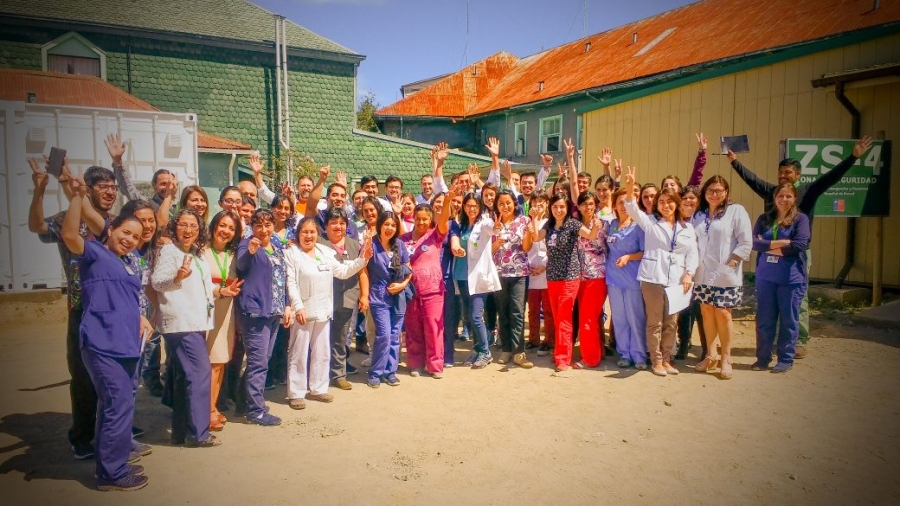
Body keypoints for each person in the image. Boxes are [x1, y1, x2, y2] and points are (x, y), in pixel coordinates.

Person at [728, 135, 872, 357]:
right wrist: (735, 162)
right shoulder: (771, 192)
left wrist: (853, 157)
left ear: (798, 175)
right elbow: (752, 179)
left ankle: (800, 340)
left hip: (796, 253)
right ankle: (778, 340)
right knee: (772, 297)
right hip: (769, 253)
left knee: (798, 298)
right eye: (781, 172)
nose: (784, 176)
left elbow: (831, 178)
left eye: (789, 173)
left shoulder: (808, 191)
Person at [29, 160, 118, 460]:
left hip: (114, 309)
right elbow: (37, 227)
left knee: (116, 374)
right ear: (88, 190)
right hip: (82, 307)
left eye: (113, 187)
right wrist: (39, 191)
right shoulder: (68, 218)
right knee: (82, 376)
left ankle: (115, 429)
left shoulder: (115, 223)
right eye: (103, 187)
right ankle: (81, 436)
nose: (110, 192)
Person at [152, 208, 238, 447]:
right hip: (181, 323)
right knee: (200, 375)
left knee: (184, 378)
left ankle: (181, 432)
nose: (188, 230)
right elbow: (157, 282)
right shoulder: (169, 251)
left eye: (193, 226)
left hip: (197, 321)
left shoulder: (197, 255)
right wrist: (177, 277)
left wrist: (219, 292)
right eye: (183, 224)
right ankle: (198, 433)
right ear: (174, 226)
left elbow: (201, 287)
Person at [283, 218, 370, 408]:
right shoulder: (292, 254)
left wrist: (363, 259)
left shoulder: (325, 252)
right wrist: (298, 306)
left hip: (323, 311)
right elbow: (291, 283)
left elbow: (343, 271)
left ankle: (318, 389)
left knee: (322, 353)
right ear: (298, 234)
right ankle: (296, 393)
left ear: (317, 234)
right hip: (303, 313)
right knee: (298, 354)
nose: (308, 236)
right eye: (304, 232)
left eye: (312, 232)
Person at [623, 166, 698, 377]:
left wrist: (689, 273)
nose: (666, 205)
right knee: (654, 322)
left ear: (677, 203)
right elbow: (631, 207)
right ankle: (656, 360)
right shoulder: (651, 223)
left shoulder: (687, 228)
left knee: (671, 323)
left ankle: (667, 359)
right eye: (662, 202)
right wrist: (630, 187)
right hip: (652, 278)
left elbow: (692, 253)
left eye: (670, 201)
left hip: (677, 280)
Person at [528, 193, 600, 373]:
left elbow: (590, 236)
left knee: (564, 316)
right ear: (550, 209)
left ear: (567, 208)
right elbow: (536, 237)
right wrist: (534, 218)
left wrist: (596, 228)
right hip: (552, 277)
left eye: (562, 207)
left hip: (570, 276)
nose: (558, 210)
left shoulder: (573, 224)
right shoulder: (549, 225)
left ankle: (563, 358)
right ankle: (561, 353)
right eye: (555, 207)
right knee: (558, 315)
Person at [691, 176, 752, 380]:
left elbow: (745, 241)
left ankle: (726, 358)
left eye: (719, 190)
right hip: (702, 274)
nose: (714, 194)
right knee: (706, 312)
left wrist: (732, 263)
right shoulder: (698, 214)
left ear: (726, 192)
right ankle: (711, 354)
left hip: (725, 274)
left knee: (723, 313)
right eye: (710, 190)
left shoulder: (736, 211)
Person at [235, 209, 293, 426]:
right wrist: (250, 252)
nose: (264, 229)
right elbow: (241, 265)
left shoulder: (277, 246)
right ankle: (256, 411)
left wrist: (287, 304)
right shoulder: (248, 243)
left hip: (273, 310)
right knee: (258, 363)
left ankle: (245, 402)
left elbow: (282, 277)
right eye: (258, 225)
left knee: (262, 361)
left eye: (268, 225)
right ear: (252, 226)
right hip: (256, 312)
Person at [751, 184, 811, 373]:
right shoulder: (764, 219)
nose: (784, 200)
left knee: (789, 319)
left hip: (790, 279)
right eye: (780, 196)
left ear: (794, 199)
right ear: (775, 198)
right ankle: (762, 359)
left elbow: (799, 244)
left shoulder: (801, 219)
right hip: (766, 277)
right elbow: (754, 243)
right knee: (764, 319)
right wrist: (782, 243)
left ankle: (785, 359)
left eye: (788, 196)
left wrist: (767, 245)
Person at [401, 189, 455, 378]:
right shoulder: (403, 239)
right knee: (413, 328)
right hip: (410, 291)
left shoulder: (436, 236)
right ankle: (415, 363)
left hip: (433, 290)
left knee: (433, 327)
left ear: (430, 219)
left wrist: (447, 200)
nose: (422, 222)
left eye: (425, 219)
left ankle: (435, 365)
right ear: (413, 218)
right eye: (419, 219)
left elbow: (443, 221)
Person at [202, 211, 243, 431]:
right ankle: (207, 411)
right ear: (214, 225)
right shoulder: (202, 252)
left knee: (220, 361)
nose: (225, 231)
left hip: (227, 311)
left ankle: (213, 407)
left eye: (231, 228)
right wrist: (219, 290)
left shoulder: (233, 254)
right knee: (210, 364)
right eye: (222, 225)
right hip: (208, 309)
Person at [451, 193, 501, 369]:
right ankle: (477, 349)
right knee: (469, 317)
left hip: (479, 277)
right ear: (463, 207)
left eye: (475, 206)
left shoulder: (484, 223)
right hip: (461, 276)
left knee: (476, 315)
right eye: (468, 205)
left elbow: (493, 228)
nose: (471, 209)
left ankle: (486, 352)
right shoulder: (461, 225)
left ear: (480, 207)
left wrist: (497, 224)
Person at [320, 208, 369, 390]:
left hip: (347, 298)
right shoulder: (319, 242)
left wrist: (364, 295)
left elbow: (362, 271)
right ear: (326, 226)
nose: (338, 226)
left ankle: (339, 374)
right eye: (333, 222)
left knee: (340, 338)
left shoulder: (354, 244)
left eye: (341, 223)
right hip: (322, 298)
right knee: (320, 339)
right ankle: (318, 375)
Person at [366, 212, 413, 388]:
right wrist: (364, 294)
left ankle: (390, 372)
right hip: (378, 296)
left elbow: (409, 269)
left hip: (399, 296)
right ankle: (375, 372)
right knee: (384, 335)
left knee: (395, 336)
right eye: (386, 224)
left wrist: (403, 284)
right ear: (380, 225)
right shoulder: (371, 244)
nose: (389, 228)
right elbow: (363, 269)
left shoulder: (399, 245)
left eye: (393, 225)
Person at [490, 189, 534, 368]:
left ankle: (519, 352)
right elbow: (488, 251)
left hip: (518, 274)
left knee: (517, 312)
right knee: (503, 312)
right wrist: (496, 242)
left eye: (508, 203)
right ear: (497, 206)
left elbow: (526, 248)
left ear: (514, 204)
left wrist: (530, 233)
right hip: (499, 274)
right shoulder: (493, 223)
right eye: (501, 203)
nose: (505, 206)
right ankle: (506, 349)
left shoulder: (524, 221)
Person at [606, 188, 647, 369]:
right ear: (614, 205)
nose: (623, 206)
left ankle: (639, 355)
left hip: (632, 279)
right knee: (620, 318)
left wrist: (629, 257)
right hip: (613, 279)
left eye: (627, 202)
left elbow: (646, 252)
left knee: (635, 317)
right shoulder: (611, 224)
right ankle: (624, 353)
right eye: (620, 202)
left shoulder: (639, 226)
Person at [574, 191, 609, 369]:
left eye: (590, 204)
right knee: (588, 318)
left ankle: (591, 358)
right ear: (579, 206)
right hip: (581, 277)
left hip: (597, 275)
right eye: (584, 204)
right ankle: (596, 352)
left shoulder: (601, 224)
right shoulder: (578, 224)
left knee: (588, 318)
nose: (587, 207)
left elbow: (598, 243)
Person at [675, 184, 707, 360]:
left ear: (698, 199)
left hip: (703, 270)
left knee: (702, 311)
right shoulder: (679, 218)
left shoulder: (704, 216)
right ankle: (684, 343)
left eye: (692, 198)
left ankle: (706, 348)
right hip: (684, 270)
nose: (688, 201)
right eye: (685, 198)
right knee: (685, 310)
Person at [525, 190, 554, 356]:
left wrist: (544, 265)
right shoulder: (527, 222)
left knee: (548, 309)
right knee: (533, 309)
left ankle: (549, 340)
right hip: (530, 270)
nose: (538, 206)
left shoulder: (549, 223)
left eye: (541, 203)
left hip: (545, 271)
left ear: (546, 205)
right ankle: (533, 338)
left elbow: (551, 248)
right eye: (534, 203)